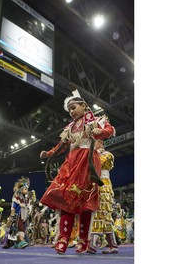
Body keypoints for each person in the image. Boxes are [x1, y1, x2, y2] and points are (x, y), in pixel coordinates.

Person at [39, 89, 115, 255]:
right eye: (69, 110)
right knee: (66, 199)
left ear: (83, 105)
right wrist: (49, 153)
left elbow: (109, 130)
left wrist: (100, 132)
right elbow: (61, 146)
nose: (71, 112)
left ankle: (83, 240)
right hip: (71, 163)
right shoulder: (70, 128)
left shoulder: (95, 121)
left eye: (74, 107)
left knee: (85, 203)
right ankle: (63, 238)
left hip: (88, 162)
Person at [88, 138, 119, 254]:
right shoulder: (95, 155)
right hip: (97, 185)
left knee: (99, 213)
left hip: (103, 185)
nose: (93, 144)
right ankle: (113, 245)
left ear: (101, 142)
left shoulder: (107, 155)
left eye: (95, 142)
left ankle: (93, 244)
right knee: (105, 217)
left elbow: (98, 165)